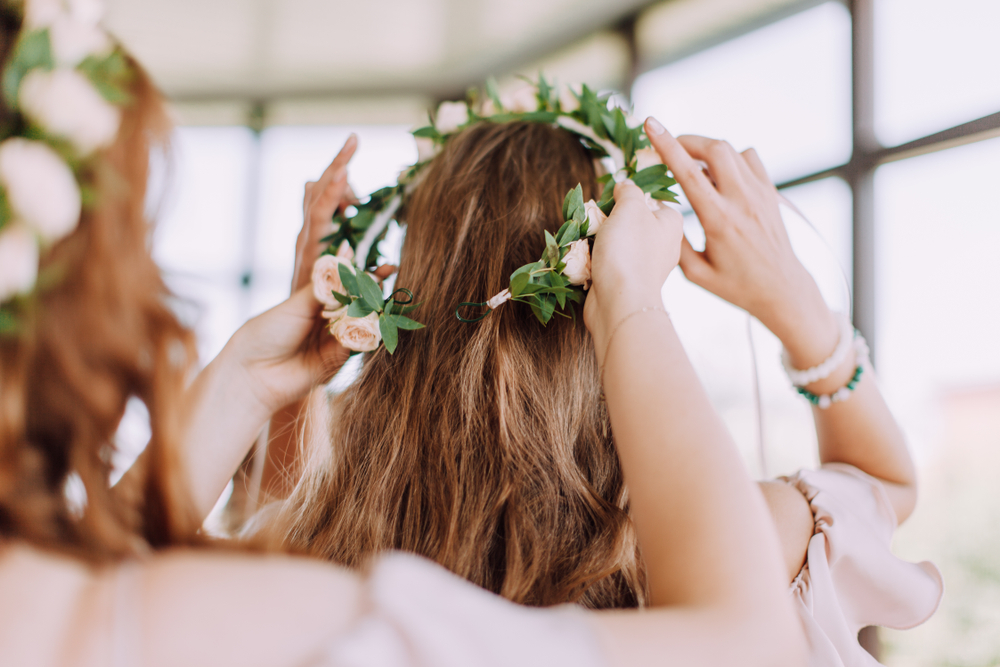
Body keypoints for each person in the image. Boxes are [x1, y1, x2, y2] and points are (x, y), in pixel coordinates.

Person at [0, 1, 802, 665]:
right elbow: (743, 639)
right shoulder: (303, 614)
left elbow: (102, 583)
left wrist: (247, 380)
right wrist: (638, 303)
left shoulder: (230, 573)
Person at [243, 113, 943, 659]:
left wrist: (315, 312)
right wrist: (799, 307)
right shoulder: (739, 549)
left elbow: (282, 488)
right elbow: (882, 484)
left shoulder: (302, 553)